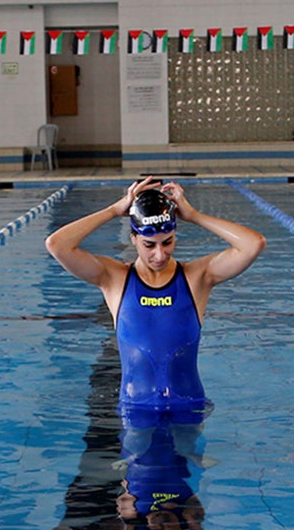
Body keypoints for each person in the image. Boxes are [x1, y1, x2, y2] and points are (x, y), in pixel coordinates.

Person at [44, 176, 265, 418]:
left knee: (189, 457)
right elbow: (57, 244)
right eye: (149, 245)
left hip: (189, 407)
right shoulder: (114, 278)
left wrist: (194, 215)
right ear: (133, 239)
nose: (160, 255)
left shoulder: (196, 277)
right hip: (135, 410)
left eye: (167, 242)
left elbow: (253, 244)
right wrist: (114, 209)